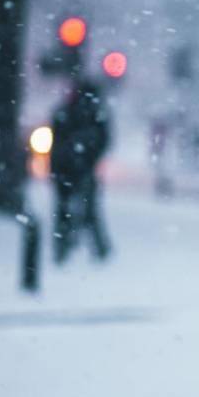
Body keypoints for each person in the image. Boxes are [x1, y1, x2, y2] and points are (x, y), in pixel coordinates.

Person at [50, 76, 111, 263]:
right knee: (87, 209)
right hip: (77, 168)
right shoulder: (94, 114)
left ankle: (63, 248)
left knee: (66, 209)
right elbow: (103, 141)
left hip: (66, 168)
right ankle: (97, 249)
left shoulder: (66, 112)